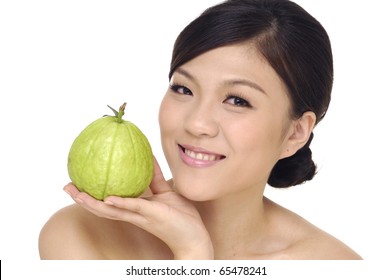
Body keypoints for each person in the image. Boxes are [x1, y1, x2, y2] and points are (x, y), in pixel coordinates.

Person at [39, 0, 362, 260]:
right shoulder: (80, 234)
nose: (196, 124)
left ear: (295, 133)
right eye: (183, 89)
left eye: (237, 100)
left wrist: (193, 254)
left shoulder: (331, 264)